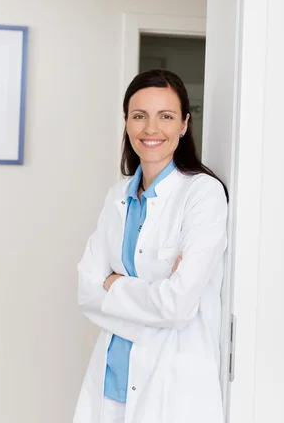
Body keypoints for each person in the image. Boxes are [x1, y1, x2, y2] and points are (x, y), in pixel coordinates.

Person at [74, 69, 228, 423]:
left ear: (185, 124)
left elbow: (178, 305)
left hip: (172, 385)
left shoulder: (202, 194)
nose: (151, 129)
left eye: (166, 116)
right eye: (139, 116)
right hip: (111, 381)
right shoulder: (119, 194)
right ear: (126, 122)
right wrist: (151, 294)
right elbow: (86, 289)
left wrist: (113, 284)